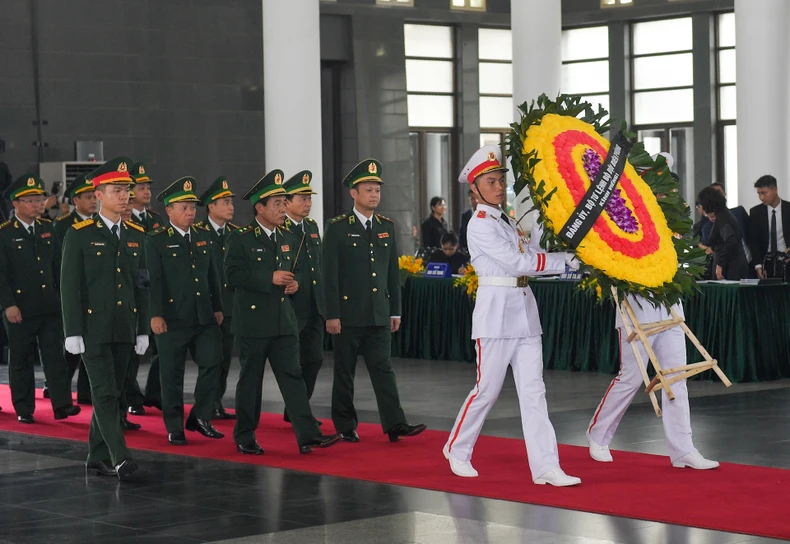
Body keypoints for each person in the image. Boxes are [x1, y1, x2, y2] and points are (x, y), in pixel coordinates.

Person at [442, 145, 580, 486]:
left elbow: (531, 253)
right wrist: (564, 262)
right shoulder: (480, 225)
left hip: (523, 311)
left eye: (501, 180)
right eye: (491, 181)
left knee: (534, 391)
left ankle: (546, 466)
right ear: (474, 189)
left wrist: (559, 242)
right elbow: (519, 263)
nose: (499, 187)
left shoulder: (506, 219)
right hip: (495, 313)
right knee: (486, 390)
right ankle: (458, 449)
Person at [224, 169, 340, 454]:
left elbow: (290, 273)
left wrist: (293, 283)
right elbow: (232, 276)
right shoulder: (241, 238)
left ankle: (307, 434)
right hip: (253, 322)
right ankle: (245, 434)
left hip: (283, 319)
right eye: (276, 203)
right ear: (259, 208)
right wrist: (269, 278)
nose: (282, 208)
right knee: (251, 380)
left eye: (283, 202)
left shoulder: (288, 236)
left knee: (293, 378)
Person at [323, 159, 426, 444]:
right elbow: (329, 275)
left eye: (377, 190)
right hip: (347, 315)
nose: (374, 195)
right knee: (344, 373)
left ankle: (395, 424)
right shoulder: (337, 228)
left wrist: (395, 311)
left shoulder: (386, 226)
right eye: (368, 190)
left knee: (384, 371)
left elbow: (392, 272)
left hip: (379, 314)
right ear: (353, 193)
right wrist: (331, 314)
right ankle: (345, 425)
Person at [60, 157, 149, 480]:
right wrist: (73, 331)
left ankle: (96, 456)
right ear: (98, 194)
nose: (124, 196)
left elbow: (142, 284)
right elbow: (69, 286)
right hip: (92, 329)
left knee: (117, 393)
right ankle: (121, 456)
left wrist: (142, 328)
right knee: (105, 393)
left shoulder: (136, 234)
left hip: (124, 327)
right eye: (116, 190)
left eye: (126, 190)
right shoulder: (80, 234)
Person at [587, 295, 720, 470]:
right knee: (631, 378)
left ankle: (683, 449)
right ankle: (598, 434)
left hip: (670, 309)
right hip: (635, 310)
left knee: (676, 378)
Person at [146, 177, 225, 446]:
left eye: (193, 207)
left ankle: (200, 416)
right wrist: (155, 314)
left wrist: (217, 307)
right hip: (171, 318)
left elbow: (213, 276)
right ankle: (174, 425)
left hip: (203, 316)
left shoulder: (203, 236)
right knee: (171, 375)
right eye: (184, 207)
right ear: (169, 210)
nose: (191, 212)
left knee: (213, 362)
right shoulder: (156, 240)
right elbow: (153, 281)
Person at [0, 175, 81, 424]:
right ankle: (24, 407)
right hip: (20, 308)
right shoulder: (5, 234)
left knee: (55, 357)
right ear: (16, 204)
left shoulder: (47, 228)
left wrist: (63, 300)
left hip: (49, 305)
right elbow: (1, 274)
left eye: (40, 200)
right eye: (31, 201)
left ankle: (62, 404)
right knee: (21, 358)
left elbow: (57, 268)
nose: (37, 205)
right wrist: (8, 304)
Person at [282, 170, 325, 424]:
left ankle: (297, 408)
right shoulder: (280, 228)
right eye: (303, 198)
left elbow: (316, 265)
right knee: (293, 362)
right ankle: (299, 412)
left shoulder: (311, 226)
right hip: (292, 307)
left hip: (314, 305)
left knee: (315, 360)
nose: (308, 204)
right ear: (287, 202)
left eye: (310, 199)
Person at [196, 176, 238, 420]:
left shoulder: (236, 233)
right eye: (225, 202)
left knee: (223, 360)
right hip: (207, 307)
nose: (231, 206)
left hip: (230, 307)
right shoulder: (199, 233)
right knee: (209, 361)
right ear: (211, 206)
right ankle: (206, 405)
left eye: (231, 202)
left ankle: (217, 402)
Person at [53, 174, 96, 406]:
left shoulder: (99, 223)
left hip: (93, 294)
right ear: (75, 200)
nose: (93, 202)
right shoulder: (62, 225)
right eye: (88, 197)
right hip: (71, 292)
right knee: (70, 348)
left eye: (94, 197)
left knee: (91, 346)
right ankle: (58, 386)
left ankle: (85, 392)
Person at [127, 162, 165, 414]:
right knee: (131, 352)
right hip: (132, 294)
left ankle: (154, 393)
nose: (147, 191)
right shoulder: (124, 217)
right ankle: (131, 398)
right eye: (141, 187)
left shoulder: (155, 219)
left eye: (148, 186)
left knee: (162, 348)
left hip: (155, 292)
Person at [697, 187, 749, 280]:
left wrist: (720, 265)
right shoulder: (724, 214)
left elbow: (730, 241)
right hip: (732, 264)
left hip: (730, 267)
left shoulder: (722, 218)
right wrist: (712, 249)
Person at [749, 175, 790, 280]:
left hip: (786, 260)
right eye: (759, 194)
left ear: (775, 190)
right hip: (766, 264)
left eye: (764, 193)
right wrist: (757, 265)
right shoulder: (755, 212)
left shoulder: (788, 209)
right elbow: (754, 242)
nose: (761, 197)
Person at [710, 182, 752, 270]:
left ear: (724, 194)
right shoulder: (707, 227)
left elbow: (752, 236)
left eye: (718, 193)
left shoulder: (738, 213)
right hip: (725, 268)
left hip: (748, 263)